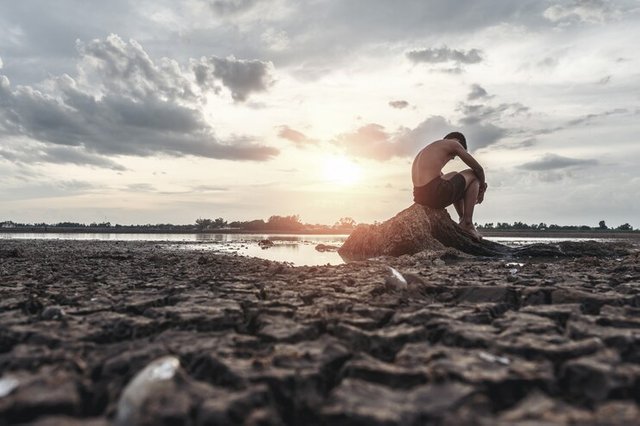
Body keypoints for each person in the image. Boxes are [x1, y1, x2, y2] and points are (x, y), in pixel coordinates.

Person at [411, 132, 487, 240]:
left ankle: (462, 218)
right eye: (455, 155)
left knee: (454, 175)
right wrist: (482, 189)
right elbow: (479, 169)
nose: (452, 158)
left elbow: (444, 178)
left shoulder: (427, 150)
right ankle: (467, 222)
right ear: (458, 142)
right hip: (435, 192)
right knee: (474, 175)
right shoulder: (453, 143)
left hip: (419, 196)